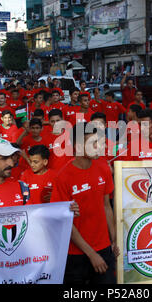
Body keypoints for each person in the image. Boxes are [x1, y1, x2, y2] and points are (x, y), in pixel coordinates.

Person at [50, 122, 119, 284]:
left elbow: (106, 206)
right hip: (76, 255)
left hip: (104, 248)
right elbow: (66, 221)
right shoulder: (63, 177)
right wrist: (91, 254)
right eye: (93, 143)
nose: (99, 147)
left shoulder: (103, 168)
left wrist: (114, 239)